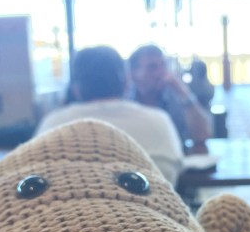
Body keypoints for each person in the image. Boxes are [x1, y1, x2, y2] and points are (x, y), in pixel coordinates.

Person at [34, 45, 184, 185]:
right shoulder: (159, 121)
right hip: (154, 205)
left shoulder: (52, 124)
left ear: (76, 89)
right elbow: (176, 171)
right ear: (127, 82)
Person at [128, 44, 212, 147]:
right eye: (152, 67)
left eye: (163, 66)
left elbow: (203, 134)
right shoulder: (124, 101)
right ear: (134, 73)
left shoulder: (175, 97)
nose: (160, 73)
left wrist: (183, 92)